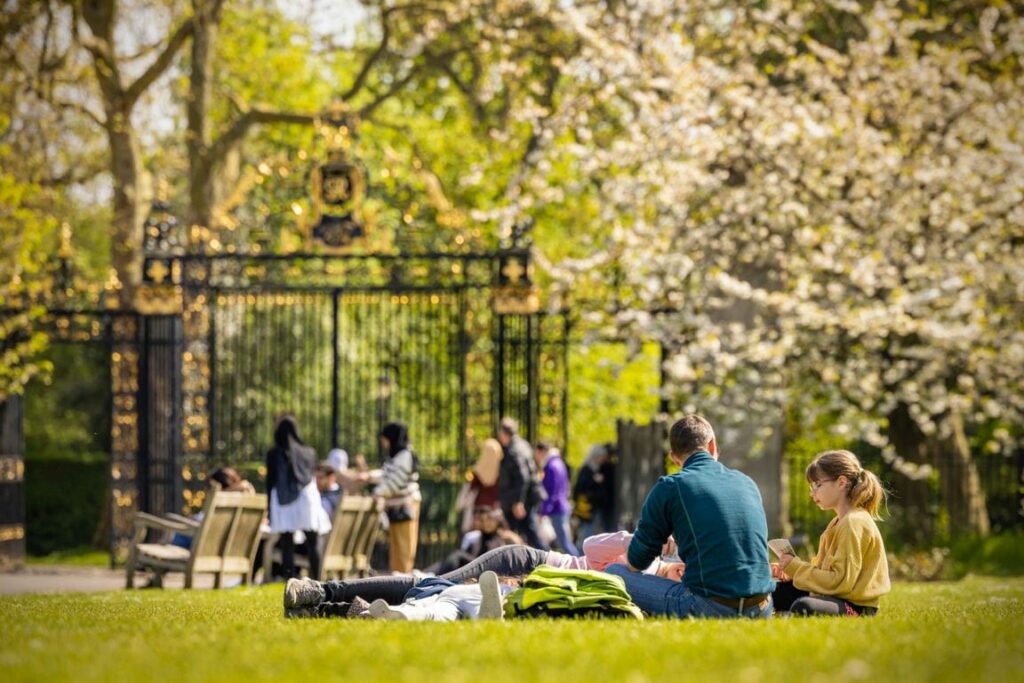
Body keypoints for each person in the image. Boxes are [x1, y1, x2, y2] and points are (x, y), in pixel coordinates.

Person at [283, 530, 684, 617]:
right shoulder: (643, 560)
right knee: (431, 585)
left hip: (525, 587)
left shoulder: (647, 595)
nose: (677, 581)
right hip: (524, 564)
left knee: (431, 593)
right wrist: (638, 543)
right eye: (682, 575)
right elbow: (590, 548)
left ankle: (324, 605)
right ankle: (321, 591)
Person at [605, 414, 774, 619]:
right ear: (712, 446)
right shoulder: (747, 482)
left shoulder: (670, 487)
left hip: (708, 607)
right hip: (762, 606)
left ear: (674, 458)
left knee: (615, 572)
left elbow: (637, 561)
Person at [773, 450, 891, 616]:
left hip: (855, 607)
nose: (812, 493)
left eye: (818, 485)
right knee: (776, 591)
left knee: (804, 605)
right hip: (833, 597)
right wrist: (792, 571)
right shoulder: (837, 522)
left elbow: (840, 582)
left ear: (841, 482)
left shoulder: (853, 523)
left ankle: (786, 614)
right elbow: (825, 572)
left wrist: (797, 567)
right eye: (811, 487)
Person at [265, 416, 331, 580]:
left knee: (287, 541)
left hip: (283, 499)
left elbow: (270, 481)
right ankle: (317, 580)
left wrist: (269, 509)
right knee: (312, 540)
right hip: (306, 497)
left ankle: (290, 580)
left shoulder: (274, 454)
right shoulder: (309, 452)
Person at [366, 421, 421, 573]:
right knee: (396, 548)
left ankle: (403, 580)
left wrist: (377, 492)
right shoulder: (398, 455)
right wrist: (368, 476)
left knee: (404, 548)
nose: (383, 443)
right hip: (396, 507)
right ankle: (397, 577)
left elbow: (395, 482)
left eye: (384, 439)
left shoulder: (404, 456)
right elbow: (387, 474)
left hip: (405, 506)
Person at [366, 571, 511, 622]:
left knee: (433, 614)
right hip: (487, 593)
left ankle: (400, 613)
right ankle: (487, 618)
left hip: (455, 592)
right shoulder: (517, 588)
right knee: (480, 613)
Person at [497, 417, 549, 550]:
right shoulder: (522, 444)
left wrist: (518, 502)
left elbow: (522, 477)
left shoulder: (513, 450)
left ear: (503, 433)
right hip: (528, 497)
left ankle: (552, 562)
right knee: (525, 533)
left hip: (522, 500)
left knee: (529, 533)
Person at [427, 507, 523, 575]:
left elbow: (519, 552)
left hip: (491, 568)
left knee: (458, 555)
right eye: (483, 520)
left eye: (489, 519)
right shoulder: (480, 536)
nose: (486, 523)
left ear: (497, 520)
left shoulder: (504, 535)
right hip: (477, 564)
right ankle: (428, 574)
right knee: (455, 558)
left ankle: (429, 574)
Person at [535, 441, 580, 555]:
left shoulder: (550, 466)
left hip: (557, 508)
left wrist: (544, 511)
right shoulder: (558, 463)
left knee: (564, 543)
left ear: (542, 452)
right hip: (561, 505)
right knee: (564, 542)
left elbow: (550, 492)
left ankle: (581, 565)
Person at [572, 444, 610, 544]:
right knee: (586, 537)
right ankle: (580, 557)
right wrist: (595, 481)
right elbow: (581, 488)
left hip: (592, 509)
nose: (603, 459)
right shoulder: (587, 470)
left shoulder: (596, 469)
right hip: (588, 509)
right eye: (601, 457)